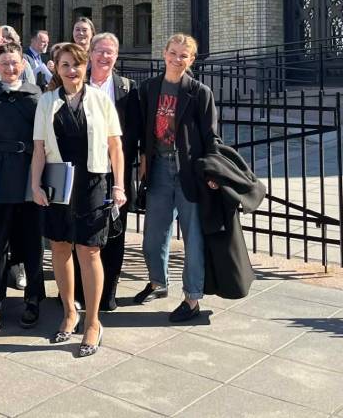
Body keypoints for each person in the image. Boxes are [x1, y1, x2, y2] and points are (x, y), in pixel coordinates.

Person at [31, 43, 126, 357]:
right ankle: (69, 311)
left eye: (77, 65)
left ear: (86, 67)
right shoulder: (46, 101)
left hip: (92, 181)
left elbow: (115, 148)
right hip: (59, 179)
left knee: (89, 251)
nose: (71, 70)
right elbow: (39, 149)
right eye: (65, 65)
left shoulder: (100, 100)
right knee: (59, 246)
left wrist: (119, 186)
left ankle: (93, 322)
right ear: (56, 68)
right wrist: (35, 185)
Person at [136, 34, 219, 323]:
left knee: (193, 237)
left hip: (188, 172)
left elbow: (211, 138)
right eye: (173, 53)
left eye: (184, 55)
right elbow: (142, 130)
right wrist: (143, 161)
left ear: (192, 60)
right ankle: (158, 283)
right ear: (164, 53)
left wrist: (211, 173)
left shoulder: (199, 92)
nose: (177, 59)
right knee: (154, 234)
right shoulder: (149, 88)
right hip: (158, 167)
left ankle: (192, 297)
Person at [0, 42, 44, 331]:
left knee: (31, 241)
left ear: (23, 64)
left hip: (28, 175)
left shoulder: (35, 94)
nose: (10, 68)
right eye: (5, 63)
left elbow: (43, 139)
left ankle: (34, 299)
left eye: (15, 63)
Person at [82, 32, 142, 311]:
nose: (104, 57)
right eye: (100, 51)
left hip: (118, 171)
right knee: (83, 231)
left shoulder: (128, 89)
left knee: (116, 231)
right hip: (85, 171)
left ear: (116, 56)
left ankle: (109, 291)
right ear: (90, 53)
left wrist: (140, 169)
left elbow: (138, 133)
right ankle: (81, 291)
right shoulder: (77, 82)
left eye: (110, 52)